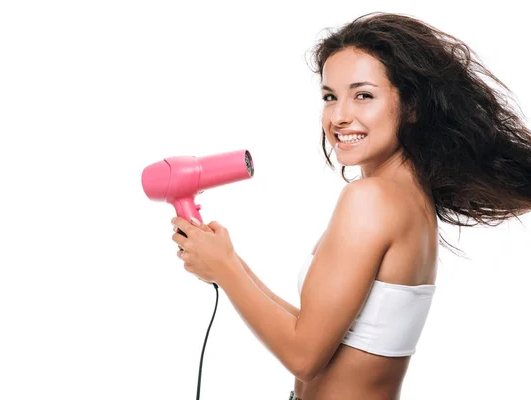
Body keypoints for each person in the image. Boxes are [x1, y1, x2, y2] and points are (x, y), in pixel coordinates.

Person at [171, 11, 531, 399]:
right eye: (330, 97)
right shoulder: (407, 195)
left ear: (411, 106)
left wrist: (225, 270)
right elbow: (321, 334)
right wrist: (227, 262)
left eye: (363, 95)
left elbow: (304, 356)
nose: (339, 116)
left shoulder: (371, 199)